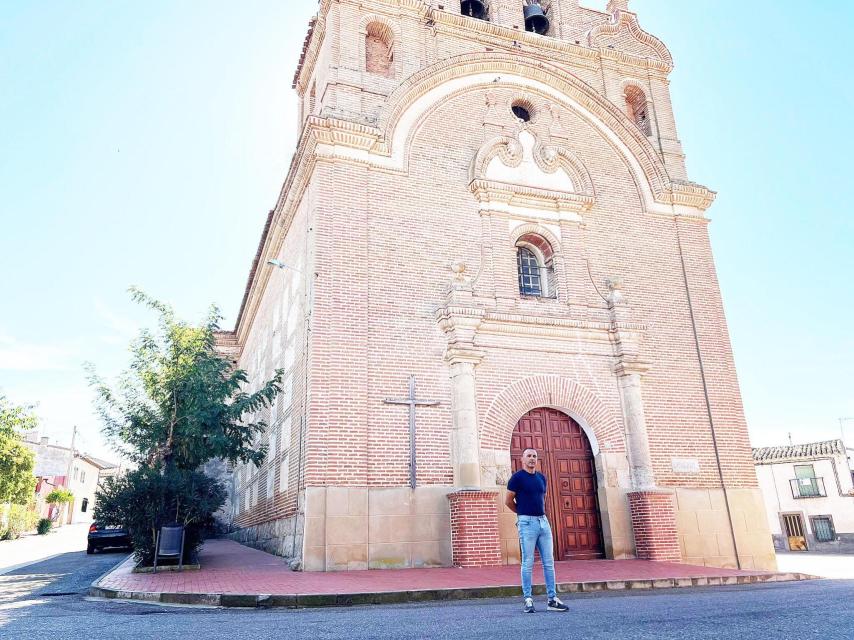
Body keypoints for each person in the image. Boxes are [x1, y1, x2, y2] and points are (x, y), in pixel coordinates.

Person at [505, 448, 569, 613]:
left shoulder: (542, 477)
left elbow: (542, 498)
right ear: (522, 459)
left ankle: (552, 599)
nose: (532, 459)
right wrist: (522, 514)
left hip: (543, 522)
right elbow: (508, 501)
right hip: (526, 523)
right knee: (527, 563)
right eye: (529, 456)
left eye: (534, 456)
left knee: (549, 562)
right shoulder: (517, 478)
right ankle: (528, 600)